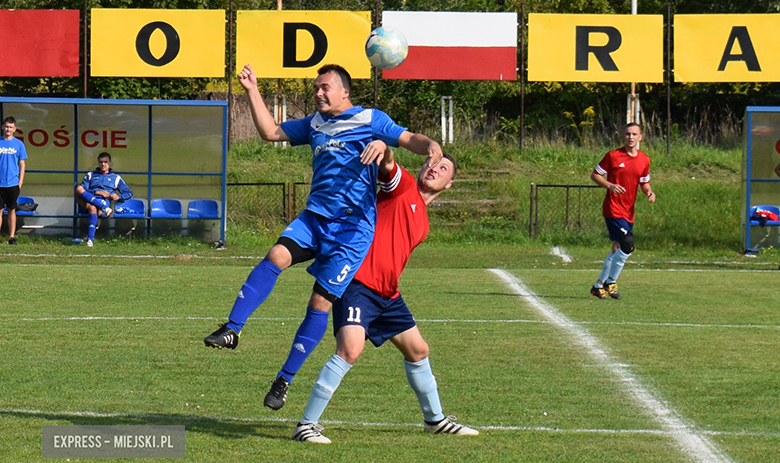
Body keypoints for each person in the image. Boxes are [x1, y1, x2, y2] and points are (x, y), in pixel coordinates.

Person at [203, 63, 443, 411]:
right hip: (315, 219)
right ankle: (232, 328)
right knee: (275, 257)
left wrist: (431, 145)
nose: (318, 93)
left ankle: (283, 380)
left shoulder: (370, 119)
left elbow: (408, 139)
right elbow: (270, 133)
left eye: (325, 87)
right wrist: (252, 89)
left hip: (351, 233)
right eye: (315, 87)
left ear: (345, 91)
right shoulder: (315, 124)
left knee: (319, 303)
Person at [292, 147, 477, 443]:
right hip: (357, 285)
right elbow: (388, 164)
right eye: (432, 163)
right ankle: (305, 425)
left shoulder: (424, 222)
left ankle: (435, 421)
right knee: (350, 350)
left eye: (443, 169)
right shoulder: (403, 188)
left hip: (387, 295)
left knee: (418, 350)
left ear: (449, 184)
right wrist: (384, 146)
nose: (434, 169)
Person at [590, 122, 656, 300]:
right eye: (628, 134)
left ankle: (597, 286)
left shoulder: (644, 159)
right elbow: (595, 175)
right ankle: (611, 281)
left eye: (634, 134)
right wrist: (609, 185)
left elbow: (644, 182)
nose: (631, 137)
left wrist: (649, 192)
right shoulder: (613, 156)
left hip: (628, 211)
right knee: (628, 244)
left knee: (617, 247)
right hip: (613, 208)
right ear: (623, 136)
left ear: (640, 137)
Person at [75, 152, 133, 248]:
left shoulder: (116, 178)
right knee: (79, 189)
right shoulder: (90, 175)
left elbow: (129, 193)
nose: (103, 164)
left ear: (110, 163)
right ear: (98, 163)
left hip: (102, 203)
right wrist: (97, 192)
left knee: (93, 208)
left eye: (105, 162)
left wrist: (119, 196)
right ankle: (105, 209)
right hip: (88, 201)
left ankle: (90, 240)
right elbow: (84, 190)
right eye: (101, 162)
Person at [0, 116, 27, 245]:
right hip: (0, 183)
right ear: (2, 127)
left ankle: (11, 237)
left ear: (15, 129)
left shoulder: (19, 144)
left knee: (11, 209)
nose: (8, 129)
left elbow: (22, 164)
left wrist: (20, 182)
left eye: (10, 127)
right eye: (6, 126)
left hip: (12, 183)